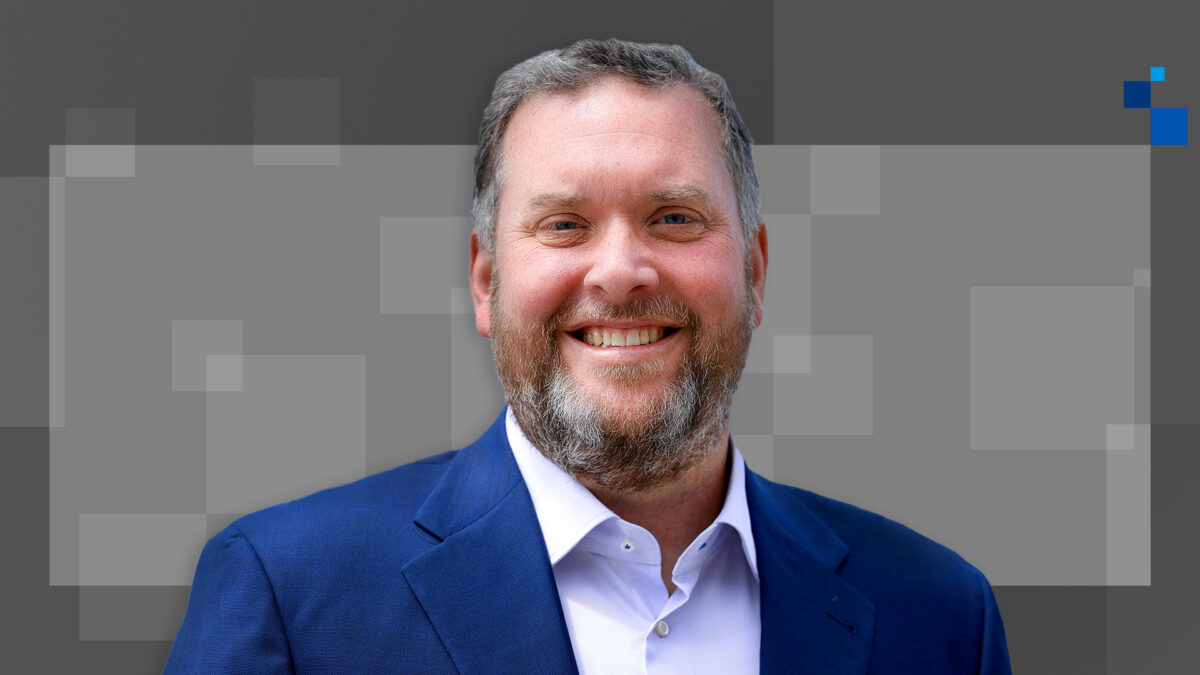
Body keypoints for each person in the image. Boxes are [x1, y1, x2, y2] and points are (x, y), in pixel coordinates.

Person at [165, 39, 1011, 674]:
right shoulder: (291, 594)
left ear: (754, 270)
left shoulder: (937, 617)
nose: (620, 271)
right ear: (486, 281)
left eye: (674, 217)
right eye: (564, 225)